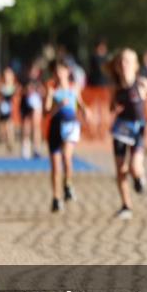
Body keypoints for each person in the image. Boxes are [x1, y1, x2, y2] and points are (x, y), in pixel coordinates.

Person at [108, 48, 147, 220]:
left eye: (128, 61)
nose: (124, 65)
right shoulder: (116, 88)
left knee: (134, 167)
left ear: (135, 66)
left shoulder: (142, 83)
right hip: (120, 130)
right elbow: (111, 107)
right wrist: (114, 108)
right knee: (120, 170)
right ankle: (126, 206)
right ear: (117, 66)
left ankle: (139, 178)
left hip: (138, 129)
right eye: (121, 61)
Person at [45, 59, 87, 213]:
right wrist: (57, 106)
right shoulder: (51, 91)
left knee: (67, 158)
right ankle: (56, 198)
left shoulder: (74, 88)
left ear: (67, 72)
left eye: (61, 70)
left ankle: (68, 185)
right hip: (55, 128)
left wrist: (85, 111)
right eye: (56, 71)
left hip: (70, 126)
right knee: (56, 167)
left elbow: (81, 104)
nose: (59, 74)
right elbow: (46, 112)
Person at [19, 62, 44, 159]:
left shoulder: (39, 82)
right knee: (26, 127)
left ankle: (36, 149)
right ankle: (25, 149)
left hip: (36, 106)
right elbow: (19, 91)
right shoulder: (24, 80)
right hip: (26, 106)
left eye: (36, 71)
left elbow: (43, 92)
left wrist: (38, 90)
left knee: (36, 127)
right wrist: (27, 90)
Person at [0, 66, 18, 152]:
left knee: (10, 125)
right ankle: (2, 136)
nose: (7, 77)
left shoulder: (15, 86)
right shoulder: (1, 86)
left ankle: (10, 142)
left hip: (11, 109)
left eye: (9, 75)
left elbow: (16, 97)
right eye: (6, 75)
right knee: (2, 126)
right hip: (2, 109)